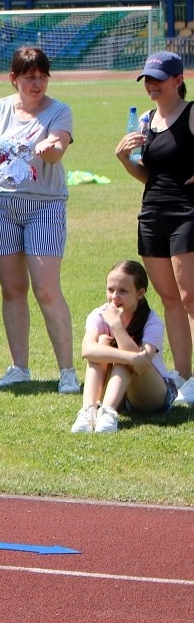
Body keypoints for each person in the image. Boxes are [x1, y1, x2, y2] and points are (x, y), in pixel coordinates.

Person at [0, 46, 79, 394]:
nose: (37, 83)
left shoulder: (58, 111)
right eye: (29, 77)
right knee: (12, 290)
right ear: (14, 79)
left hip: (45, 207)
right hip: (3, 208)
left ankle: (67, 372)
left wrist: (50, 149)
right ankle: (19, 367)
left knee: (45, 288)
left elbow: (59, 148)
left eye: (42, 76)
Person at [115, 51, 194, 405]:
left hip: (187, 213)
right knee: (169, 299)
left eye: (158, 78)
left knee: (191, 297)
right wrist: (123, 158)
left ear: (178, 80)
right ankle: (182, 374)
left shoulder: (191, 114)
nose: (151, 85)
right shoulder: (146, 120)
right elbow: (148, 175)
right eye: (147, 79)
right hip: (152, 214)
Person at [71, 261, 177, 433]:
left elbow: (142, 365)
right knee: (104, 342)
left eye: (123, 291)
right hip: (121, 393)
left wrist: (116, 325)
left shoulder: (152, 321)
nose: (114, 297)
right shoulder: (98, 315)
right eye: (110, 290)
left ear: (140, 293)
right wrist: (129, 357)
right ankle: (89, 410)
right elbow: (87, 350)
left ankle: (109, 413)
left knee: (124, 350)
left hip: (153, 394)